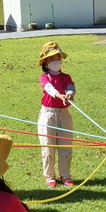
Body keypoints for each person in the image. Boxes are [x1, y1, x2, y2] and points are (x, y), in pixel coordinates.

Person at [37, 41, 75, 188]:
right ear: (46, 62)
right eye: (52, 59)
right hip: (48, 114)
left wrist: (69, 94)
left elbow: (71, 87)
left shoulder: (66, 77)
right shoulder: (44, 77)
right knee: (48, 145)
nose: (56, 61)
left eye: (58, 58)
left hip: (64, 114)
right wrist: (59, 95)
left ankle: (65, 175)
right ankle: (49, 176)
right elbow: (49, 88)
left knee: (65, 144)